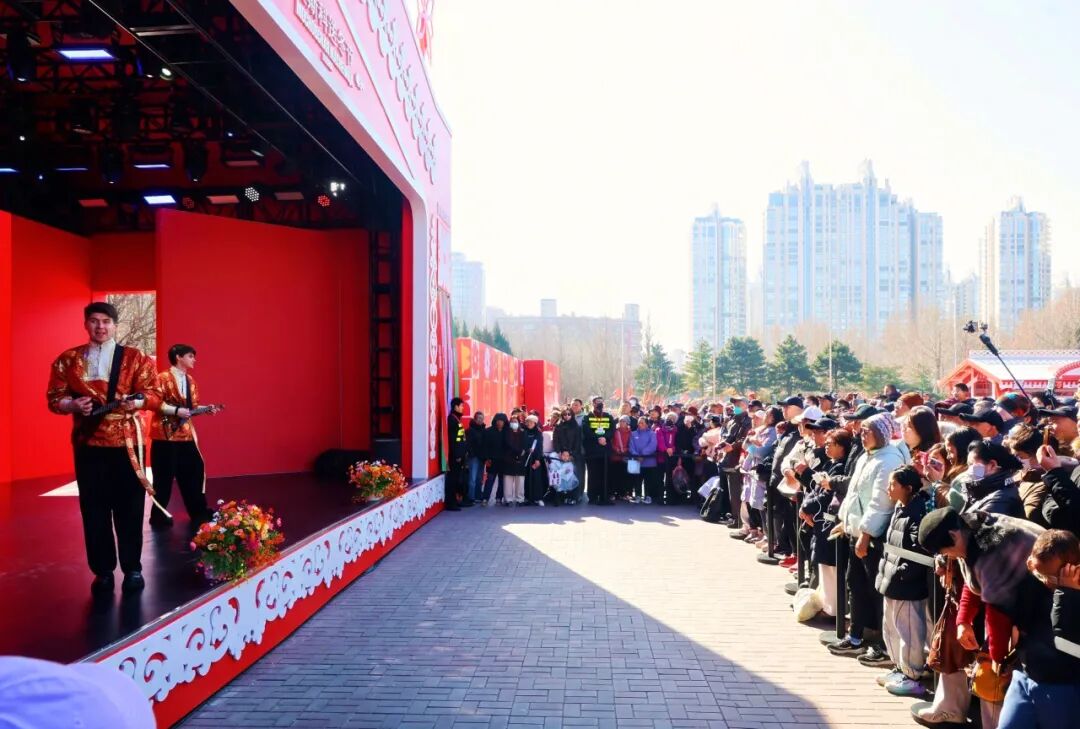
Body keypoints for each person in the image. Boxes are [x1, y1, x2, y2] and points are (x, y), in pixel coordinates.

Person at [47, 302, 162, 596]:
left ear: (115, 325)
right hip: (88, 444)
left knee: (130, 507)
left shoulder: (135, 358)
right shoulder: (68, 360)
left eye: (106, 321)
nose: (100, 326)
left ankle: (133, 569)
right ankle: (102, 571)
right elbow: (54, 398)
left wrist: (136, 402)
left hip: (127, 443)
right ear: (86, 324)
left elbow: (154, 393)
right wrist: (72, 404)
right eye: (94, 321)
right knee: (93, 508)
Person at [829, 413, 907, 661]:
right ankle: (856, 636)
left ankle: (883, 644)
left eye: (867, 431)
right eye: (861, 431)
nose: (862, 435)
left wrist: (866, 534)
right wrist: (845, 520)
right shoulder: (867, 456)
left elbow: (880, 503)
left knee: (875, 590)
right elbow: (854, 494)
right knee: (856, 585)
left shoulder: (889, 459)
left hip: (873, 538)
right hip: (856, 530)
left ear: (882, 434)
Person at [875, 466, 933, 697]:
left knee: (909, 632)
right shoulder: (900, 509)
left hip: (906, 586)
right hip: (891, 580)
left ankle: (912, 675)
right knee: (891, 627)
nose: (888, 488)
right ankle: (899, 668)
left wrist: (901, 573)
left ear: (908, 488)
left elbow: (919, 552)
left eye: (893, 484)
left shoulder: (917, 512)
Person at [148, 344, 217, 529]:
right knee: (163, 479)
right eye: (190, 356)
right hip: (164, 435)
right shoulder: (162, 378)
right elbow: (153, 402)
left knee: (194, 472)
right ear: (178, 357)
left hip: (185, 435)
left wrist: (205, 409)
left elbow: (190, 409)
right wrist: (175, 411)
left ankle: (199, 512)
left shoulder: (191, 380)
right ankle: (159, 516)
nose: (194, 359)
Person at [582, 396, 616, 505]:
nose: (599, 404)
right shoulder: (587, 417)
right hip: (592, 451)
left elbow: (612, 429)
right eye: (597, 402)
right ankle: (592, 497)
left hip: (605, 450)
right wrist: (598, 439)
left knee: (606, 474)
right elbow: (587, 431)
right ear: (593, 404)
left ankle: (605, 496)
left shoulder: (608, 416)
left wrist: (605, 438)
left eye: (601, 402)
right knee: (593, 474)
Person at [553, 407, 584, 505]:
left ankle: (573, 497)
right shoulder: (558, 426)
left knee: (573, 476)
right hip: (560, 455)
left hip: (573, 455)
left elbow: (578, 442)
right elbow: (555, 441)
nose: (566, 416)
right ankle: (560, 497)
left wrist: (571, 454)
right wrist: (560, 452)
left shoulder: (576, 427)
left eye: (569, 414)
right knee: (559, 475)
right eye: (564, 414)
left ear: (572, 415)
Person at [444, 397, 470, 511]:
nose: (463, 408)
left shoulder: (456, 419)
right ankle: (450, 503)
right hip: (455, 457)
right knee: (453, 479)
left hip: (460, 456)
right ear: (455, 407)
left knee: (457, 479)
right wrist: (458, 455)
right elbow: (453, 440)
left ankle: (456, 500)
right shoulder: (452, 420)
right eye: (461, 406)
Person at [628, 416, 659, 504]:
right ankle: (637, 496)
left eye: (642, 423)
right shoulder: (633, 433)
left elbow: (652, 446)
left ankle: (648, 496)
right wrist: (636, 455)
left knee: (648, 480)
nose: (639, 424)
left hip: (649, 462)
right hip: (636, 461)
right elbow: (631, 446)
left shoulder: (652, 434)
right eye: (639, 422)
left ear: (646, 424)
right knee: (637, 480)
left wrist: (643, 455)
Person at [481, 413, 508, 506]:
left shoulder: (507, 432)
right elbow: (485, 446)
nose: (500, 422)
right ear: (495, 421)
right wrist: (486, 458)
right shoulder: (488, 431)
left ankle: (499, 498)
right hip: (492, 460)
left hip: (503, 461)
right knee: (490, 480)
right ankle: (485, 498)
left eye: (502, 421)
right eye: (498, 420)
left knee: (502, 481)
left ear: (505, 422)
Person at [501, 414, 527, 505]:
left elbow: (525, 444)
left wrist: (521, 452)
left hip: (520, 459)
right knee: (508, 480)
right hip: (509, 458)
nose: (513, 423)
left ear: (519, 423)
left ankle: (520, 499)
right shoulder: (506, 432)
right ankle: (508, 499)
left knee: (520, 480)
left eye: (515, 422)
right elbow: (506, 444)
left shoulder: (523, 432)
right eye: (512, 422)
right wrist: (517, 451)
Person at [465, 411, 487, 504]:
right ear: (475, 419)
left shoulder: (484, 430)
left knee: (479, 478)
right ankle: (471, 497)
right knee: (472, 479)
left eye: (482, 418)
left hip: (481, 457)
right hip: (473, 457)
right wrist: (472, 454)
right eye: (479, 418)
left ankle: (478, 496)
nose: (481, 420)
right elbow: (467, 444)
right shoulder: (469, 430)